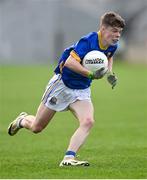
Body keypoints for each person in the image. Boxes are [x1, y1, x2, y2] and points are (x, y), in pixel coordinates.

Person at [8, 11, 125, 167]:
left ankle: (68, 159)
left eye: (120, 32)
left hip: (81, 89)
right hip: (62, 85)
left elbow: (109, 56)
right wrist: (90, 74)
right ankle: (22, 120)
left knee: (88, 121)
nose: (117, 35)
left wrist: (109, 73)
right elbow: (70, 62)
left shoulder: (113, 45)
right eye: (114, 31)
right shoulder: (88, 41)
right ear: (103, 29)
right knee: (37, 127)